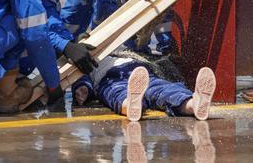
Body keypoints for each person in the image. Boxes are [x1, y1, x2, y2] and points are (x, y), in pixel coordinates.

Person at [72, 49, 216, 122]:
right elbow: (79, 75)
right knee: (162, 90)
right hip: (109, 77)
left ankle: (194, 104)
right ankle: (131, 104)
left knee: (163, 88)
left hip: (140, 73)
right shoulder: (85, 57)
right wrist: (83, 88)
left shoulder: (122, 46)